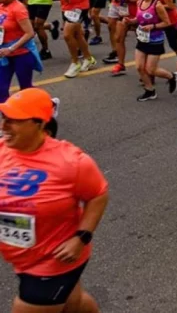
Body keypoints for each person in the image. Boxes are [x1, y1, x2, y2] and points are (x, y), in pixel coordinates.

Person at [0, 88, 109, 313]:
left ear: (40, 124)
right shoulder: (2, 151)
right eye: (4, 119)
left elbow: (98, 194)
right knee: (74, 304)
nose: (4, 126)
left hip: (54, 260)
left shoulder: (71, 162)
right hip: (21, 255)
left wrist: (81, 238)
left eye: (14, 121)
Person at [124, 0, 177, 102]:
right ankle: (150, 90)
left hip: (155, 40)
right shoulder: (139, 3)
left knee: (151, 69)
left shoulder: (157, 5)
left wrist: (153, 26)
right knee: (139, 67)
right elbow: (139, 19)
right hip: (142, 39)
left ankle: (171, 76)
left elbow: (167, 22)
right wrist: (130, 21)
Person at [0, 0, 39, 102]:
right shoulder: (1, 6)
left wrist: (10, 48)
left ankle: (50, 105)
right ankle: (9, 119)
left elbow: (30, 33)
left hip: (21, 54)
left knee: (26, 89)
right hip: (3, 55)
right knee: (1, 89)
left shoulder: (18, 8)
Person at [101, 0, 141, 77]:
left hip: (134, 13)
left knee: (141, 39)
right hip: (121, 12)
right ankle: (121, 64)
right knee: (119, 38)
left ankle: (144, 64)